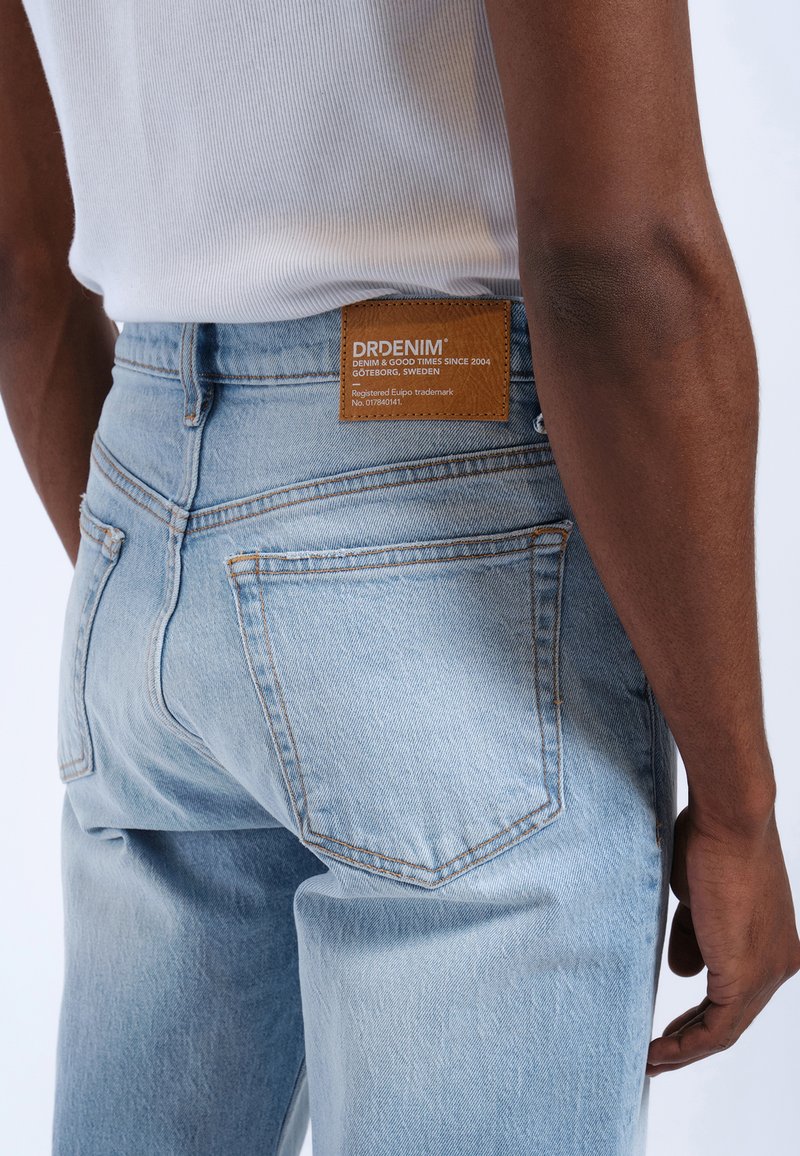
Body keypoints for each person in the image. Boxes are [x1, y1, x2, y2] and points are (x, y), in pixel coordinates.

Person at [1, 1, 798, 1153]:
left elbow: (22, 267)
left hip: (144, 515)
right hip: (449, 525)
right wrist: (735, 807)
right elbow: (617, 252)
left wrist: (205, 580)